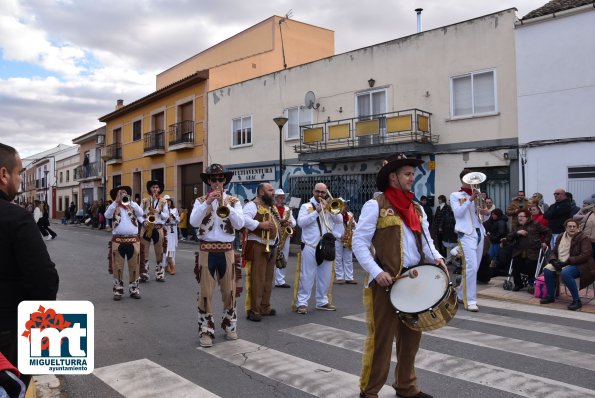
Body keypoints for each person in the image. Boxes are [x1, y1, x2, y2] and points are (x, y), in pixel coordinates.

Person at [352, 154, 444, 398]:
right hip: (386, 283)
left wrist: (438, 258)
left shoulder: (416, 207)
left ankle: (406, 386)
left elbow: (427, 241)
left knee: (411, 339)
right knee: (381, 341)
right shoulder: (375, 205)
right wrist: (376, 271)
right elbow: (359, 243)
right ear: (393, 177)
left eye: (413, 174)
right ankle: (370, 391)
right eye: (407, 174)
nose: (412, 178)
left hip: (415, 281)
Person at [0, 143, 59, 388]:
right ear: (3, 175)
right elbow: (44, 282)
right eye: (18, 173)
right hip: (7, 335)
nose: (20, 180)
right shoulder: (16, 218)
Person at [189, 164, 244, 347]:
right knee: (205, 292)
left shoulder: (234, 201)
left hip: (227, 250)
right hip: (207, 251)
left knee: (229, 291)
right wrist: (207, 203)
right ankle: (206, 330)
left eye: (221, 179)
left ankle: (230, 325)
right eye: (214, 179)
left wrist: (226, 204)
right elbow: (194, 222)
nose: (218, 183)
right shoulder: (199, 201)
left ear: (225, 181)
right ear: (209, 182)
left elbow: (239, 223)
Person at [292, 182, 342, 314]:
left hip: (326, 245)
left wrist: (331, 209)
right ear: (313, 191)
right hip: (310, 245)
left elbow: (340, 220)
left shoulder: (330, 205)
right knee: (307, 276)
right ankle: (302, 303)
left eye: (323, 192)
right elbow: (301, 223)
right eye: (317, 191)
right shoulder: (306, 206)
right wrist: (317, 211)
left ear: (326, 193)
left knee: (325, 276)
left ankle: (322, 301)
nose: (320, 194)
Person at [450, 168, 490, 312]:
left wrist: (486, 213)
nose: (474, 183)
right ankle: (470, 300)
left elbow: (483, 218)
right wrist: (470, 199)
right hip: (466, 234)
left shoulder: (478, 195)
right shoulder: (456, 195)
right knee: (471, 267)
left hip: (479, 233)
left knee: (474, 268)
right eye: (470, 180)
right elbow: (458, 213)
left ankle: (460, 294)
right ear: (462, 180)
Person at [242, 183, 280, 321]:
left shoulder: (271, 207)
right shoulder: (252, 205)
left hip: (271, 245)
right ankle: (254, 310)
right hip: (258, 244)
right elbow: (244, 220)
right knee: (257, 279)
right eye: (270, 190)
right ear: (261, 193)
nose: (273, 193)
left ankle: (265, 306)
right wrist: (259, 225)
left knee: (268, 279)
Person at [540, 219, 595, 310]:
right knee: (547, 269)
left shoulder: (583, 238)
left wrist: (567, 262)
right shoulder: (561, 236)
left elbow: (586, 255)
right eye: (570, 226)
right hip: (561, 262)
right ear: (566, 228)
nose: (572, 228)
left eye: (574, 226)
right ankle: (550, 296)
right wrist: (553, 260)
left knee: (565, 273)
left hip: (581, 265)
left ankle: (577, 301)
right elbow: (554, 251)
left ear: (578, 228)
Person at [104, 186, 144, 300]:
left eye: (125, 193)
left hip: (133, 240)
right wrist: (116, 202)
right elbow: (107, 215)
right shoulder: (113, 207)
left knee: (134, 266)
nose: (123, 195)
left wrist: (131, 201)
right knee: (118, 266)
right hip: (118, 240)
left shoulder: (133, 206)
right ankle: (118, 290)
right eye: (120, 193)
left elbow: (141, 213)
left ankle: (134, 289)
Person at [503, 209, 551, 291]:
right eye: (518, 216)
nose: (519, 218)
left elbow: (548, 231)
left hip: (533, 251)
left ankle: (531, 283)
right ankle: (518, 284)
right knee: (515, 264)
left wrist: (545, 242)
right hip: (519, 251)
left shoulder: (535, 224)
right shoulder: (516, 226)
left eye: (522, 216)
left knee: (530, 264)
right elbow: (509, 237)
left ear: (527, 217)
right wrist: (517, 233)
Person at [140, 180, 169, 282]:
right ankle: (144, 273)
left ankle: (160, 274)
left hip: (157, 227)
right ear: (150, 189)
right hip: (147, 227)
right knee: (144, 250)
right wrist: (143, 222)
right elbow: (140, 214)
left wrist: (159, 212)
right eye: (153, 187)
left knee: (159, 251)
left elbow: (166, 216)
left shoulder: (163, 201)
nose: (155, 189)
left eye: (157, 187)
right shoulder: (144, 201)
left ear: (159, 189)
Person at [272, 189, 296, 288]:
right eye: (280, 197)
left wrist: (290, 222)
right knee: (272, 257)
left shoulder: (287, 209)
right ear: (276, 198)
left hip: (285, 235)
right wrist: (280, 222)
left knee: (283, 257)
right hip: (275, 235)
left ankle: (280, 280)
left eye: (283, 197)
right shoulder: (272, 208)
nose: (282, 199)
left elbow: (295, 222)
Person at [333, 199, 357, 284]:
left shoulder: (350, 215)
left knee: (348, 259)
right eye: (343, 205)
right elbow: (330, 229)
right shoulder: (334, 215)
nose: (345, 207)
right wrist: (340, 236)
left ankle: (349, 278)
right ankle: (339, 277)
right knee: (338, 259)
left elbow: (356, 227)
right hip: (338, 240)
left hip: (348, 240)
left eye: (345, 205)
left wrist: (354, 226)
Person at [163, 195, 179, 275]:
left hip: (173, 232)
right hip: (166, 231)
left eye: (169, 200)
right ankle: (166, 266)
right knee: (166, 249)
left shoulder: (174, 209)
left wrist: (173, 217)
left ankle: (172, 266)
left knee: (172, 249)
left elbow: (178, 220)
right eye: (166, 201)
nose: (168, 202)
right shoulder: (162, 211)